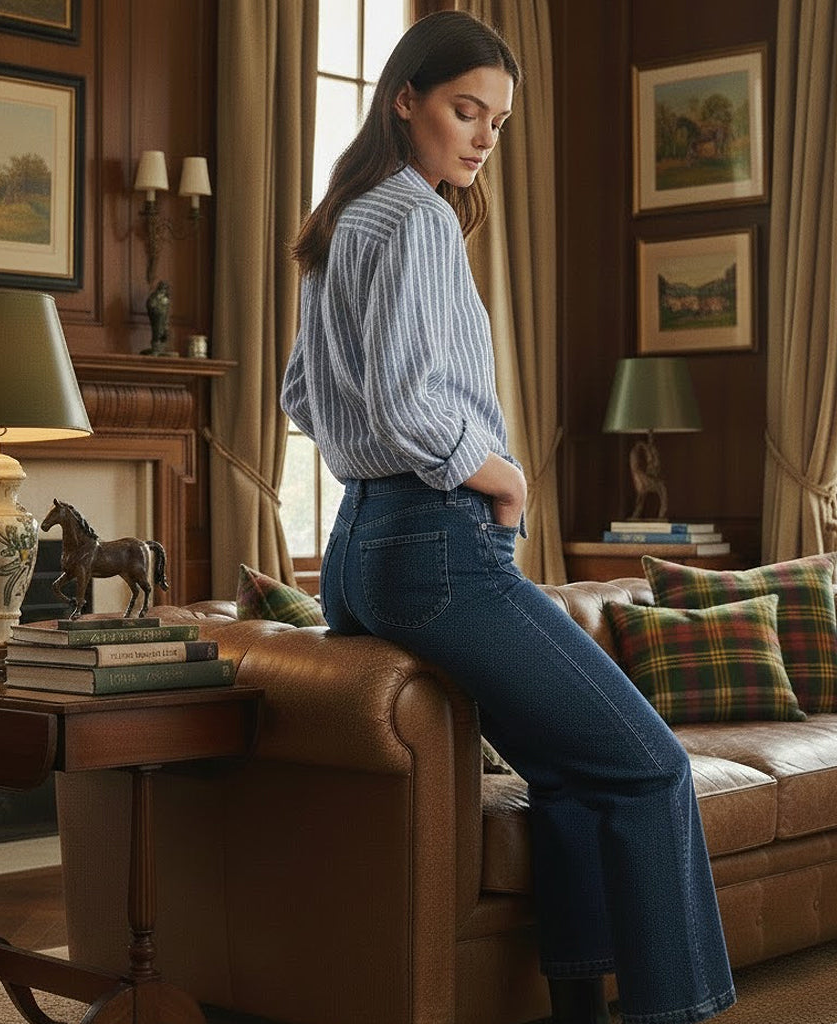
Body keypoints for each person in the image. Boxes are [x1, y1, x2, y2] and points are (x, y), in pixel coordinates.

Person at [280, 11, 736, 1024]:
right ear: (405, 100)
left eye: (497, 120)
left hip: (356, 553)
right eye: (465, 110)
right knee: (653, 766)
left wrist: (399, 470)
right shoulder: (416, 218)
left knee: (569, 771)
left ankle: (579, 1006)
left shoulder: (343, 219)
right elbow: (408, 404)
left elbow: (301, 396)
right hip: (435, 543)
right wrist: (501, 479)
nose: (484, 136)